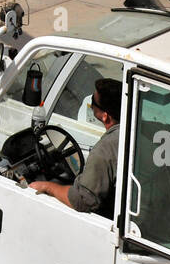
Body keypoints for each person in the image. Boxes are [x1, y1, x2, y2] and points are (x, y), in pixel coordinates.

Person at [30, 78, 121, 218]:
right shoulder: (133, 132)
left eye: (93, 103)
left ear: (105, 116)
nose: (90, 105)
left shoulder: (104, 150)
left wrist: (47, 187)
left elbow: (82, 200)